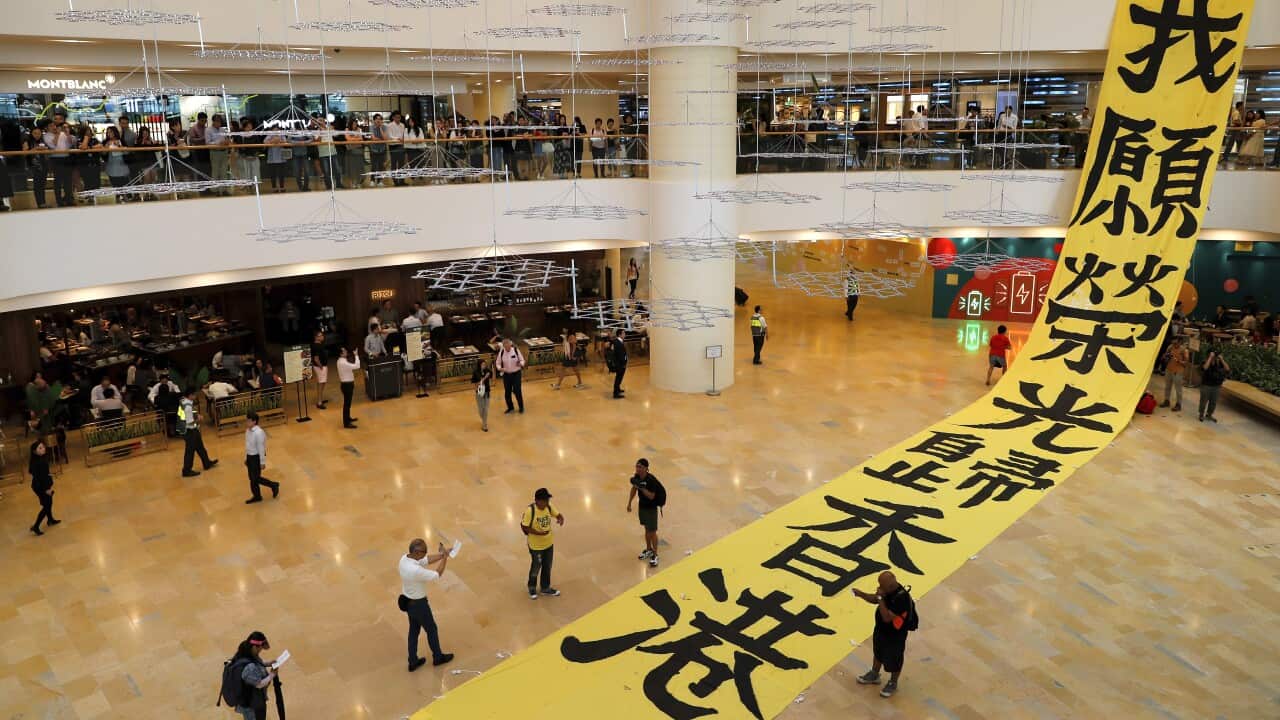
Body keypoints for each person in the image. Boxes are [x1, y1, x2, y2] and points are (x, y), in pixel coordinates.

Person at [853, 571, 916, 699]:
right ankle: (874, 674)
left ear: (890, 586)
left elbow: (887, 617)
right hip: (881, 630)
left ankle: (893, 683)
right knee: (878, 652)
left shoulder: (901, 599)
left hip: (895, 635)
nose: (879, 587)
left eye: (881, 585)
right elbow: (875, 599)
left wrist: (881, 598)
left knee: (894, 659)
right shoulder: (887, 590)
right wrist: (861, 594)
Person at [399, 538, 454, 671]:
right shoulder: (415, 570)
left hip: (409, 602)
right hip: (419, 605)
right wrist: (445, 558)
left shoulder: (404, 559)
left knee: (413, 631)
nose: (426, 554)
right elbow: (437, 574)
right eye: (424, 552)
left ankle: (412, 661)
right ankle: (438, 657)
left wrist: (441, 554)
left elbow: (425, 560)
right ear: (417, 553)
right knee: (431, 629)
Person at [520, 487, 565, 599]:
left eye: (547, 500)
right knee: (536, 566)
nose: (547, 502)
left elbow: (558, 514)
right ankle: (532, 587)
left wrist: (560, 518)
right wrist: (538, 533)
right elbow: (524, 526)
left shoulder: (548, 506)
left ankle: (545, 588)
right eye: (544, 500)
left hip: (548, 543)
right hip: (536, 546)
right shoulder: (530, 511)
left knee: (547, 566)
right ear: (537, 500)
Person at [224, 631, 279, 720]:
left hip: (251, 700)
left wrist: (267, 663)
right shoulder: (249, 668)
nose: (261, 650)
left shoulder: (245, 650)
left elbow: (256, 661)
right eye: (260, 648)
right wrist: (272, 674)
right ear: (254, 647)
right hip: (250, 705)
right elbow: (259, 684)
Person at [627, 458, 664, 567]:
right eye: (637, 466)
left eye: (640, 467)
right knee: (647, 529)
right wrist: (629, 503)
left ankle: (655, 555)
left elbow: (652, 496)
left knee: (652, 532)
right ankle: (648, 549)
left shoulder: (651, 480)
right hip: (642, 507)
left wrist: (642, 488)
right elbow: (634, 489)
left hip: (651, 509)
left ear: (646, 468)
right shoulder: (637, 477)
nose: (638, 469)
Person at [179, 387, 218, 477]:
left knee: (200, 447)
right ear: (190, 395)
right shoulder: (187, 407)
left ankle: (206, 462)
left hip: (192, 430)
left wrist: (196, 415)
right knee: (190, 451)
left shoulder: (184, 401)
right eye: (194, 394)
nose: (196, 396)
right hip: (189, 430)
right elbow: (189, 422)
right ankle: (186, 470)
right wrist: (198, 419)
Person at [244, 411, 279, 504]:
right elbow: (248, 445)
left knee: (256, 478)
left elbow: (261, 448)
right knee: (252, 478)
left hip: (256, 457)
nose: (247, 422)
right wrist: (247, 458)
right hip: (250, 457)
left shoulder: (259, 433)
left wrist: (262, 462)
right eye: (246, 420)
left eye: (248, 421)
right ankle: (257, 496)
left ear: (254, 421)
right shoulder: (248, 431)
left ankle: (273, 485)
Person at [29, 440, 59, 536]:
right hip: (41, 487)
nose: (43, 449)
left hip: (39, 485)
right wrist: (47, 489)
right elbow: (41, 478)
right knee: (46, 506)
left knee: (48, 503)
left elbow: (37, 474)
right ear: (35, 451)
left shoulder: (36, 459)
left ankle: (50, 520)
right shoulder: (40, 462)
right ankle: (36, 526)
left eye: (43, 447)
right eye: (40, 448)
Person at [495, 338, 526, 414]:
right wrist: (500, 368)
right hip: (506, 375)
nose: (507, 348)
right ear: (503, 346)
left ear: (510, 344)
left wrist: (520, 364)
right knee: (507, 392)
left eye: (508, 346)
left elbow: (522, 360)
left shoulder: (515, 350)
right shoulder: (502, 352)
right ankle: (510, 407)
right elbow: (498, 363)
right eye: (505, 347)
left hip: (516, 374)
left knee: (517, 390)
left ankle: (521, 407)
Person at [1198, 351, 1230, 423]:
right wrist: (1210, 358)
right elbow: (1205, 368)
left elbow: (1227, 369)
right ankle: (1201, 414)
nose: (1215, 357)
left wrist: (1222, 359)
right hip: (1206, 385)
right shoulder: (1205, 361)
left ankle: (1209, 414)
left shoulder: (1220, 363)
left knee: (1213, 402)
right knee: (1203, 401)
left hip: (1217, 386)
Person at [1161, 336, 1189, 412]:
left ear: (1180, 342)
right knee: (1167, 386)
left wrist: (1179, 361)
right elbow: (1164, 356)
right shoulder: (1170, 347)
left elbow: (1186, 363)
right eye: (1173, 343)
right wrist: (1165, 356)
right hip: (1169, 369)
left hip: (1178, 371)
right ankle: (1166, 400)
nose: (1174, 344)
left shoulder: (1184, 350)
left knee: (1178, 389)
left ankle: (1178, 404)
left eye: (1176, 343)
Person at [336, 347, 360, 429]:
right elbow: (357, 366)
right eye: (344, 351)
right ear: (341, 354)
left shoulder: (341, 360)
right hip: (347, 385)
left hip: (346, 385)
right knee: (347, 404)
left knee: (348, 403)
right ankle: (346, 423)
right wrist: (356, 355)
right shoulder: (343, 362)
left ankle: (348, 418)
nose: (346, 351)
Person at [471, 358, 493, 432]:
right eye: (482, 364)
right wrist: (483, 379)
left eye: (485, 364)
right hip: (479, 393)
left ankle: (484, 425)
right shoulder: (475, 372)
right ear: (479, 365)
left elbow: (492, 375)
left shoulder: (488, 371)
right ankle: (484, 419)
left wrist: (488, 376)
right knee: (481, 410)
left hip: (487, 392)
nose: (484, 366)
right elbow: (474, 383)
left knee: (486, 409)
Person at [606, 330, 628, 399]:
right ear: (619, 335)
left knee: (619, 377)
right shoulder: (618, 343)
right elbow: (620, 355)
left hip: (619, 363)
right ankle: (615, 393)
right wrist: (624, 363)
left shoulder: (618, 341)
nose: (625, 334)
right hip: (619, 364)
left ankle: (618, 389)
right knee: (618, 378)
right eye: (623, 333)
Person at [311, 331, 329, 410]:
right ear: (316, 337)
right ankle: (319, 402)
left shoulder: (319, 344)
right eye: (320, 336)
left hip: (321, 366)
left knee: (321, 383)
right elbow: (316, 358)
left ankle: (320, 399)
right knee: (321, 384)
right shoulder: (316, 346)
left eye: (322, 335)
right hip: (320, 367)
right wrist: (321, 366)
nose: (322, 337)